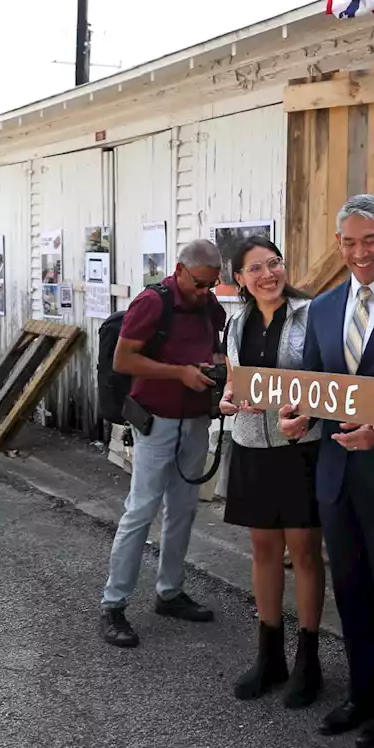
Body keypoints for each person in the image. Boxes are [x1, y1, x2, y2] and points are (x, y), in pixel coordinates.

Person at [279, 193, 374, 748]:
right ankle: (361, 692)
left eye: (370, 240)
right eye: (349, 242)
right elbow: (317, 389)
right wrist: (302, 420)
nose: (359, 252)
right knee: (350, 586)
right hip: (336, 472)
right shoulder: (321, 309)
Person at [98, 239, 227, 648]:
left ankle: (169, 591)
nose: (204, 291)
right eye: (199, 284)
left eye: (211, 285)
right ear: (179, 270)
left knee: (184, 510)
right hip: (155, 421)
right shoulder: (153, 303)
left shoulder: (209, 306)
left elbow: (218, 350)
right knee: (141, 511)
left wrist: (218, 369)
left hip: (195, 421)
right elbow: (124, 360)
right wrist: (180, 373)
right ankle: (113, 604)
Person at [218, 236, 325, 707]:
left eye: (274, 263)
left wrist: (307, 413)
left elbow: (327, 383)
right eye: (255, 268)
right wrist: (225, 400)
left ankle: (308, 659)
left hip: (298, 447)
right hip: (250, 445)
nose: (268, 274)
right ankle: (269, 654)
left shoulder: (311, 315)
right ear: (239, 278)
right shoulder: (236, 322)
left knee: (303, 550)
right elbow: (232, 379)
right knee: (263, 549)